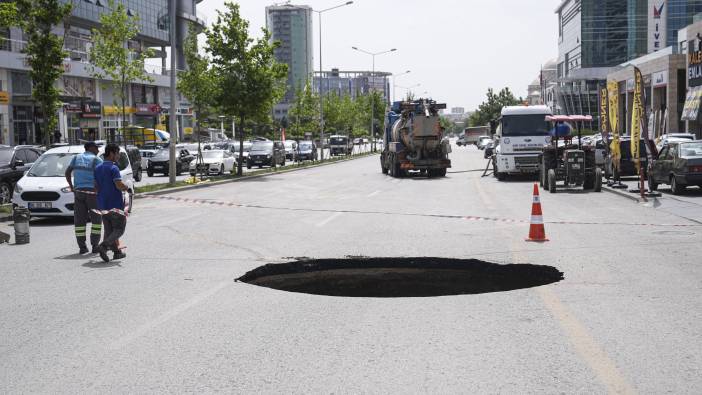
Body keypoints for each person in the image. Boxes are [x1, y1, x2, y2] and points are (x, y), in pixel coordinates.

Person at [65, 141, 103, 254]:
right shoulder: (96, 160)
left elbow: (67, 172)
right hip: (92, 193)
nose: (98, 150)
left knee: (79, 221)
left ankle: (82, 247)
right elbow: (103, 175)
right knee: (96, 220)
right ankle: (95, 246)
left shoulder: (76, 157)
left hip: (78, 193)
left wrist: (72, 187)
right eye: (97, 148)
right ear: (91, 148)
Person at [94, 143, 129, 262]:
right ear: (111, 153)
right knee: (119, 229)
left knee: (109, 230)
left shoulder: (98, 168)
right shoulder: (114, 168)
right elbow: (118, 185)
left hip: (102, 205)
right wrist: (127, 188)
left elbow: (95, 187)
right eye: (117, 153)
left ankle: (117, 252)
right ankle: (103, 246)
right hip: (115, 205)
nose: (118, 156)